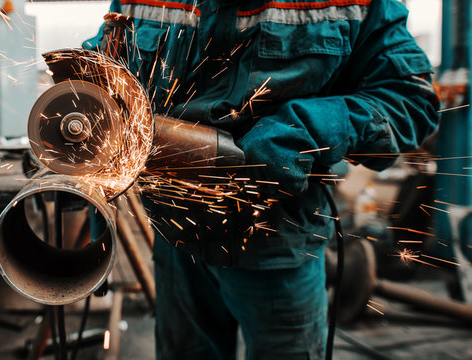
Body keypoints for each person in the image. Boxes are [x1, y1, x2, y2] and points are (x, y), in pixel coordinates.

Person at [84, 0, 440, 359]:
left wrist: (307, 129)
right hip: (177, 238)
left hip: (278, 241)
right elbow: (106, 68)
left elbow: (412, 99)